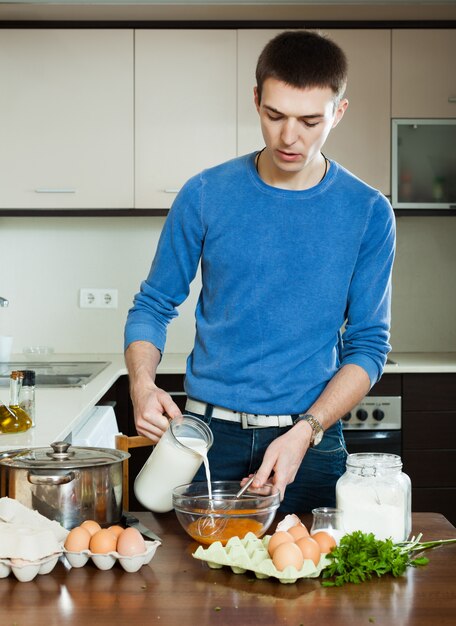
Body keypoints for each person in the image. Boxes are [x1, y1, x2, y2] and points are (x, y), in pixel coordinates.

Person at [124, 30, 396, 513]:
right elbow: (153, 304)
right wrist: (142, 385)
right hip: (204, 439)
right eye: (275, 116)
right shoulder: (205, 193)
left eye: (311, 121)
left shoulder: (369, 211)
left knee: (316, 581)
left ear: (339, 112)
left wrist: (306, 431)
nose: (289, 137)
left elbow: (369, 343)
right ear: (256, 100)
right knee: (184, 584)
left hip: (309, 441)